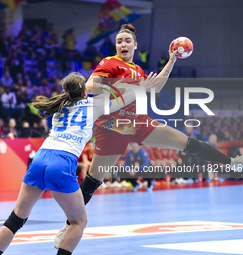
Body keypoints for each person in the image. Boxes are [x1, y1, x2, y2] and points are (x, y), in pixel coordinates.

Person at [54, 23, 243, 247]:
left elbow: (156, 87)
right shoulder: (110, 63)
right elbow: (92, 85)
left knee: (187, 142)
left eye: (127, 41)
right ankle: (68, 224)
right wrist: (134, 87)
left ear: (135, 44)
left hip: (138, 122)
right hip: (113, 126)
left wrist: (171, 61)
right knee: (94, 179)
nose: (122, 44)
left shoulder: (138, 69)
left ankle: (230, 162)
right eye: (119, 41)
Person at [0, 72, 156, 255]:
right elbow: (122, 100)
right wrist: (143, 88)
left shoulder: (60, 106)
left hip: (40, 158)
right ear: (85, 91)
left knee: (16, 219)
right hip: (61, 162)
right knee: (79, 221)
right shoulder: (94, 105)